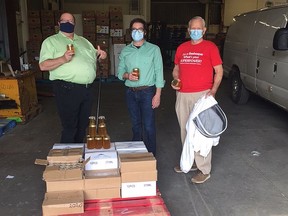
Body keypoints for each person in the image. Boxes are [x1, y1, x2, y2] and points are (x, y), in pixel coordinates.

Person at [39, 12, 107, 143]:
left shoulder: (83, 41)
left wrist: (101, 55)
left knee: (83, 126)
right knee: (70, 127)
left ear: (74, 24)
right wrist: (63, 58)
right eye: (64, 21)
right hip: (67, 89)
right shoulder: (51, 42)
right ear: (58, 23)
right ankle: (68, 160)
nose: (67, 23)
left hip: (86, 89)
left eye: (70, 21)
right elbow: (43, 65)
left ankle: (79, 155)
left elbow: (95, 56)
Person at [171, 16, 223, 183]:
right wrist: (175, 80)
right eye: (192, 29)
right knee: (185, 130)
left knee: (202, 132)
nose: (195, 31)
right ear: (188, 30)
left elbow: (219, 71)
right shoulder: (181, 48)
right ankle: (189, 161)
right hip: (183, 95)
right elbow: (176, 69)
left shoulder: (210, 47)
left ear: (204, 30)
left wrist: (213, 91)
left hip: (202, 95)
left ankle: (204, 169)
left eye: (198, 29)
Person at [117, 18, 165, 156]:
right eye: (134, 29)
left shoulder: (154, 49)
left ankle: (150, 157)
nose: (137, 32)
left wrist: (158, 94)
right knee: (136, 125)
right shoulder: (126, 51)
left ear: (144, 32)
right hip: (131, 93)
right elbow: (120, 72)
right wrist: (127, 75)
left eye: (140, 29)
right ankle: (137, 156)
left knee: (149, 126)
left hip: (147, 92)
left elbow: (159, 72)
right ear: (130, 32)